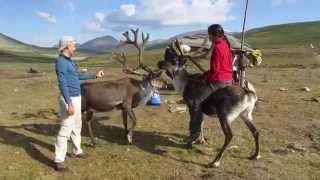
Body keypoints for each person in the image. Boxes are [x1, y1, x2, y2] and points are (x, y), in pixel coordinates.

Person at [54, 36, 104, 171]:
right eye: (73, 46)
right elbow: (62, 83)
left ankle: (77, 150)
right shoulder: (61, 62)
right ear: (66, 47)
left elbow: (78, 75)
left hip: (77, 98)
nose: (75, 48)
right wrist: (68, 102)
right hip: (69, 98)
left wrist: (95, 75)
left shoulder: (70, 61)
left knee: (77, 126)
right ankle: (59, 160)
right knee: (65, 129)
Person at [186, 24, 233, 144]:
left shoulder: (217, 47)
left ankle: (195, 133)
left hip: (218, 81)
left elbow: (215, 71)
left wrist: (205, 77)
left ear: (214, 34)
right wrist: (206, 74)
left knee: (195, 102)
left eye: (209, 35)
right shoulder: (225, 43)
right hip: (228, 78)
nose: (209, 37)